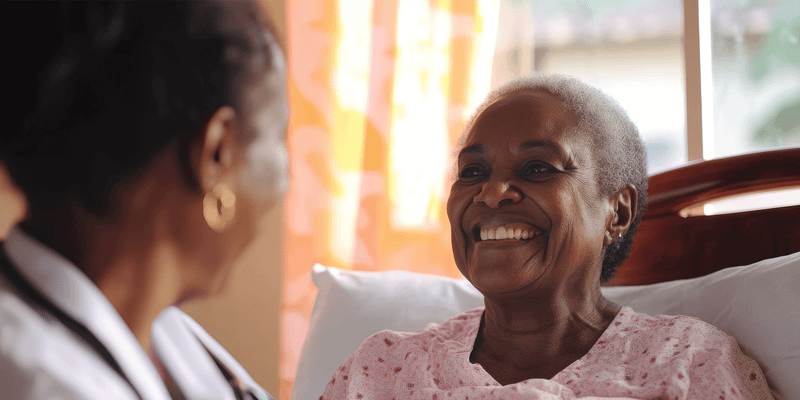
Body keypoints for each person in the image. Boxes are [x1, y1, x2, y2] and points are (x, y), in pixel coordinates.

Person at [320, 75, 774, 399]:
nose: (492, 192)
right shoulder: (379, 370)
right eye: (473, 171)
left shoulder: (687, 363)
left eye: (538, 167)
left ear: (617, 211)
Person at [0, 1, 287, 399]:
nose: (284, 183)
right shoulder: (44, 384)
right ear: (217, 153)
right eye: (280, 137)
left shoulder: (159, 333)